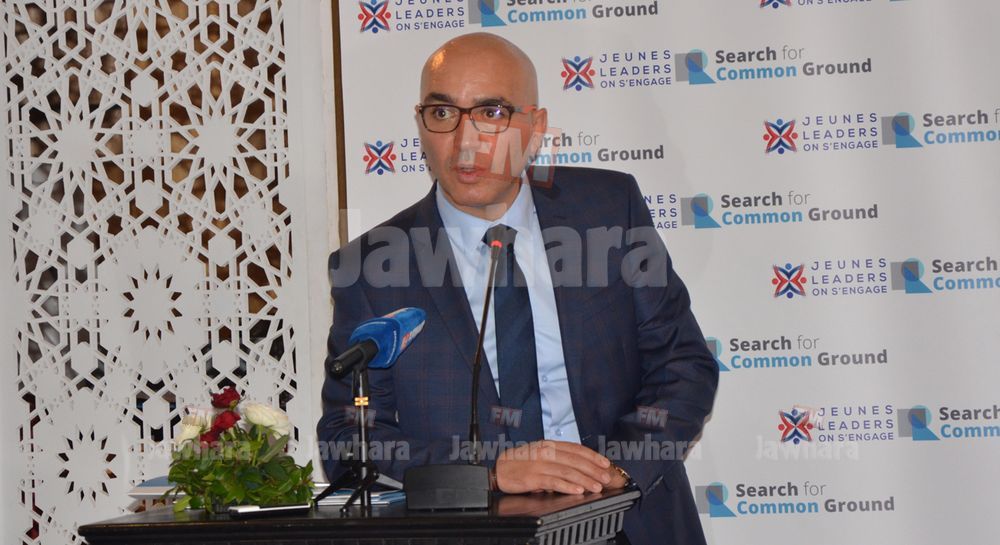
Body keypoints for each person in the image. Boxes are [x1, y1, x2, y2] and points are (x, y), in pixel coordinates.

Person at [318, 32, 718, 545]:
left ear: (536, 127)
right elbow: (348, 440)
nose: (465, 141)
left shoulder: (607, 210)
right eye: (442, 113)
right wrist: (487, 473)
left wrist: (614, 472)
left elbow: (682, 364)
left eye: (491, 113)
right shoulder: (373, 266)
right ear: (421, 125)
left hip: (624, 520)